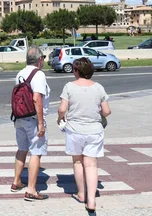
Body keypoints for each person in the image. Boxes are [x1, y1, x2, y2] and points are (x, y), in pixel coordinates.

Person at [57, 57, 111, 213]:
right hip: (94, 130)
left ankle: (81, 194)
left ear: (77, 71)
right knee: (91, 164)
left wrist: (60, 118)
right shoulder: (99, 87)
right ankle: (92, 200)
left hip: (74, 129)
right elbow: (107, 111)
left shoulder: (69, 87)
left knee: (78, 162)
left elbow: (62, 109)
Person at [11, 45, 50, 201]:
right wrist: (41, 123)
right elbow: (36, 99)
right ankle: (32, 190)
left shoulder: (20, 73)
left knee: (22, 149)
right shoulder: (38, 75)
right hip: (32, 119)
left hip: (19, 118)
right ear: (40, 59)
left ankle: (16, 182)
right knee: (36, 152)